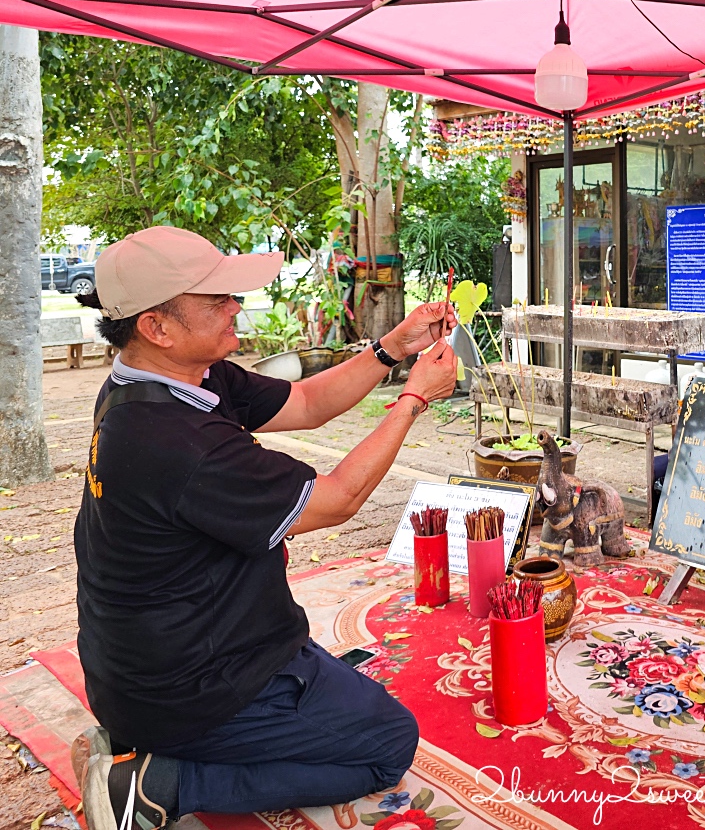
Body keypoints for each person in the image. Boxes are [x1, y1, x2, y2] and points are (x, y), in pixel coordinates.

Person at [70, 226, 459, 830]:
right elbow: (338, 500)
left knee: (345, 694)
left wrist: (393, 348)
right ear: (157, 326)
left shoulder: (173, 378)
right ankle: (157, 784)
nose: (236, 308)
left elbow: (304, 402)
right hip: (187, 685)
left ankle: (171, 747)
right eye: (217, 299)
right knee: (386, 742)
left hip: (182, 649)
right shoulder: (171, 439)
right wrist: (414, 399)